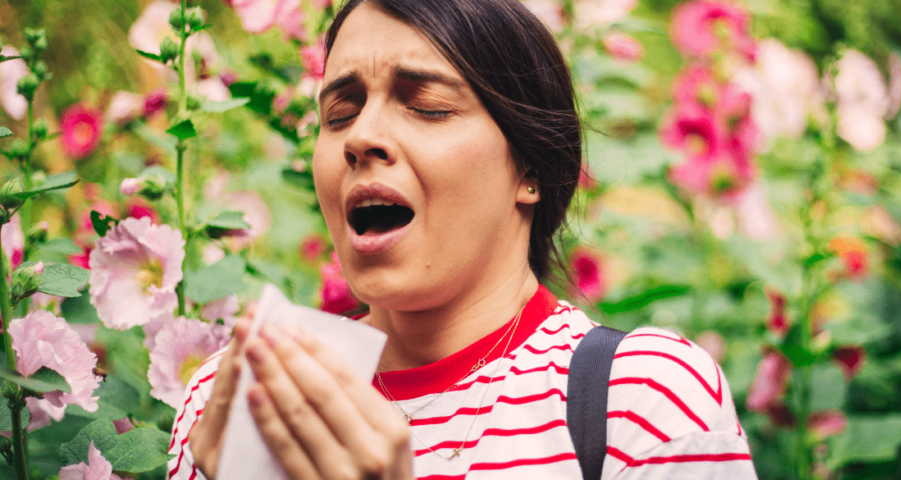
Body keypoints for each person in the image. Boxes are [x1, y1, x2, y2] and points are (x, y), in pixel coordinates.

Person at [168, 0, 758, 478]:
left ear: (528, 168)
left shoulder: (640, 401)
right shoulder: (231, 402)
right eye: (340, 113)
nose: (361, 136)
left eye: (425, 105)